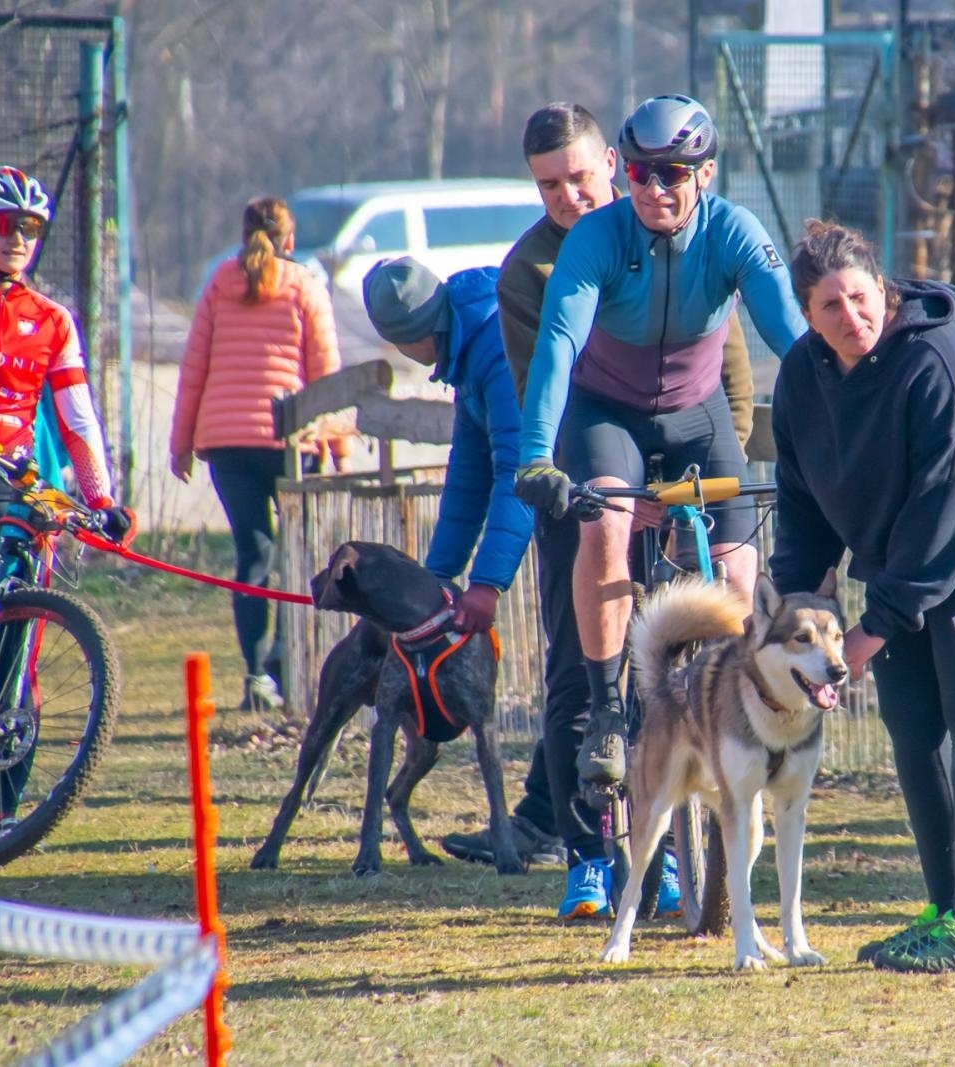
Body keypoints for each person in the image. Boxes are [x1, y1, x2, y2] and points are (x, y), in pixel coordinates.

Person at [770, 220, 955, 972]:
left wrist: (874, 628)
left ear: (887, 289)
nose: (851, 316)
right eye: (830, 306)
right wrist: (798, 614)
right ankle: (945, 913)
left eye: (861, 296)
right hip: (908, 549)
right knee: (913, 723)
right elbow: (803, 500)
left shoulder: (939, 361)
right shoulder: (803, 379)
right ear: (806, 317)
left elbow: (949, 504)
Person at [481, 102, 758, 919]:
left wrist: (697, 493)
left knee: (673, 667)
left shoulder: (686, 233)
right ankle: (589, 856)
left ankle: (673, 851)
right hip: (587, 479)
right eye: (547, 186)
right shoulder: (531, 271)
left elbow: (724, 368)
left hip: (676, 471)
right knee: (580, 673)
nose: (567, 196)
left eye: (578, 175)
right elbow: (550, 388)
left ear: (612, 163)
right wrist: (603, 491)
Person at [512, 94, 806, 801]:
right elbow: (556, 346)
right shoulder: (596, 238)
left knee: (740, 579)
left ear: (703, 174)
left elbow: (791, 338)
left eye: (671, 173)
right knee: (607, 523)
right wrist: (533, 454)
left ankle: (748, 714)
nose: (652, 189)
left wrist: (839, 429)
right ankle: (608, 709)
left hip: (696, 417)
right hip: (605, 412)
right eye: (640, 173)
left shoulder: (734, 230)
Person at [360, 256, 562, 869]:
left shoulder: (495, 348)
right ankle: (548, 819)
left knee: (583, 664)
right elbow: (469, 472)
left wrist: (487, 584)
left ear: (409, 337)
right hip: (552, 492)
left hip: (582, 495)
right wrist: (437, 579)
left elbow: (518, 468)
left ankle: (583, 833)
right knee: (575, 665)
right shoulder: (468, 344)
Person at [0, 166, 136, 843]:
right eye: (3, 224)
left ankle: (1, 811)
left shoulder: (50, 320)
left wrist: (102, 500)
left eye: (31, 228)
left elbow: (77, 416)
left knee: (17, 661)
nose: (18, 237)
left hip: (14, 484)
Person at [170, 196, 351, 713]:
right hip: (292, 444)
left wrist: (181, 445)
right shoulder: (304, 286)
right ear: (289, 239)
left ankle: (255, 678)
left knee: (254, 557)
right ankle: (283, 664)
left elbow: (193, 371)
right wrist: (337, 444)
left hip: (229, 444)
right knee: (298, 556)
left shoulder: (217, 287)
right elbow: (326, 375)